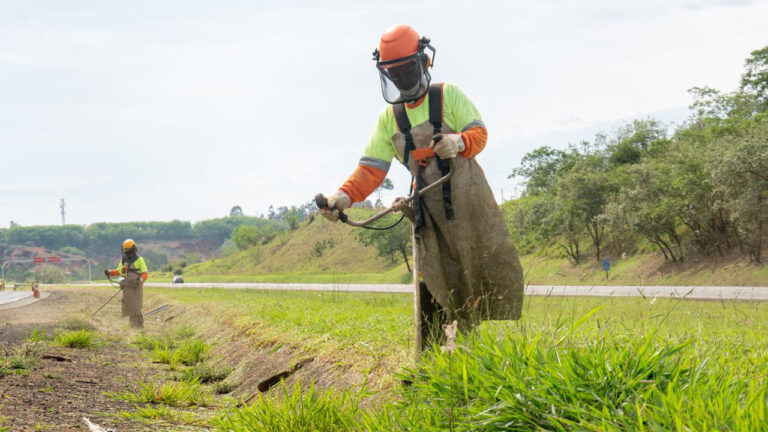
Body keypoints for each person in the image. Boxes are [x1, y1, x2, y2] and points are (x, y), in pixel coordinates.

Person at [318, 25, 524, 347]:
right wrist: (342, 197)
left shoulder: (448, 96)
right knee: (433, 281)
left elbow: (479, 133)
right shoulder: (391, 118)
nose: (403, 79)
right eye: (395, 74)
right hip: (427, 212)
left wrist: (459, 141)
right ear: (387, 75)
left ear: (424, 61)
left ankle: (470, 352)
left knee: (476, 276)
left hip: (469, 205)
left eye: (407, 70)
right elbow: (371, 169)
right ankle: (430, 360)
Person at [104, 239, 149, 328]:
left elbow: (145, 273)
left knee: (136, 307)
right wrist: (110, 273)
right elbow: (120, 271)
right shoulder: (124, 260)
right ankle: (132, 326)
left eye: (128, 251)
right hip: (127, 287)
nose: (127, 253)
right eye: (125, 251)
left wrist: (140, 281)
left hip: (136, 287)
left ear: (133, 249)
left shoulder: (140, 260)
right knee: (128, 307)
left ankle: (138, 327)